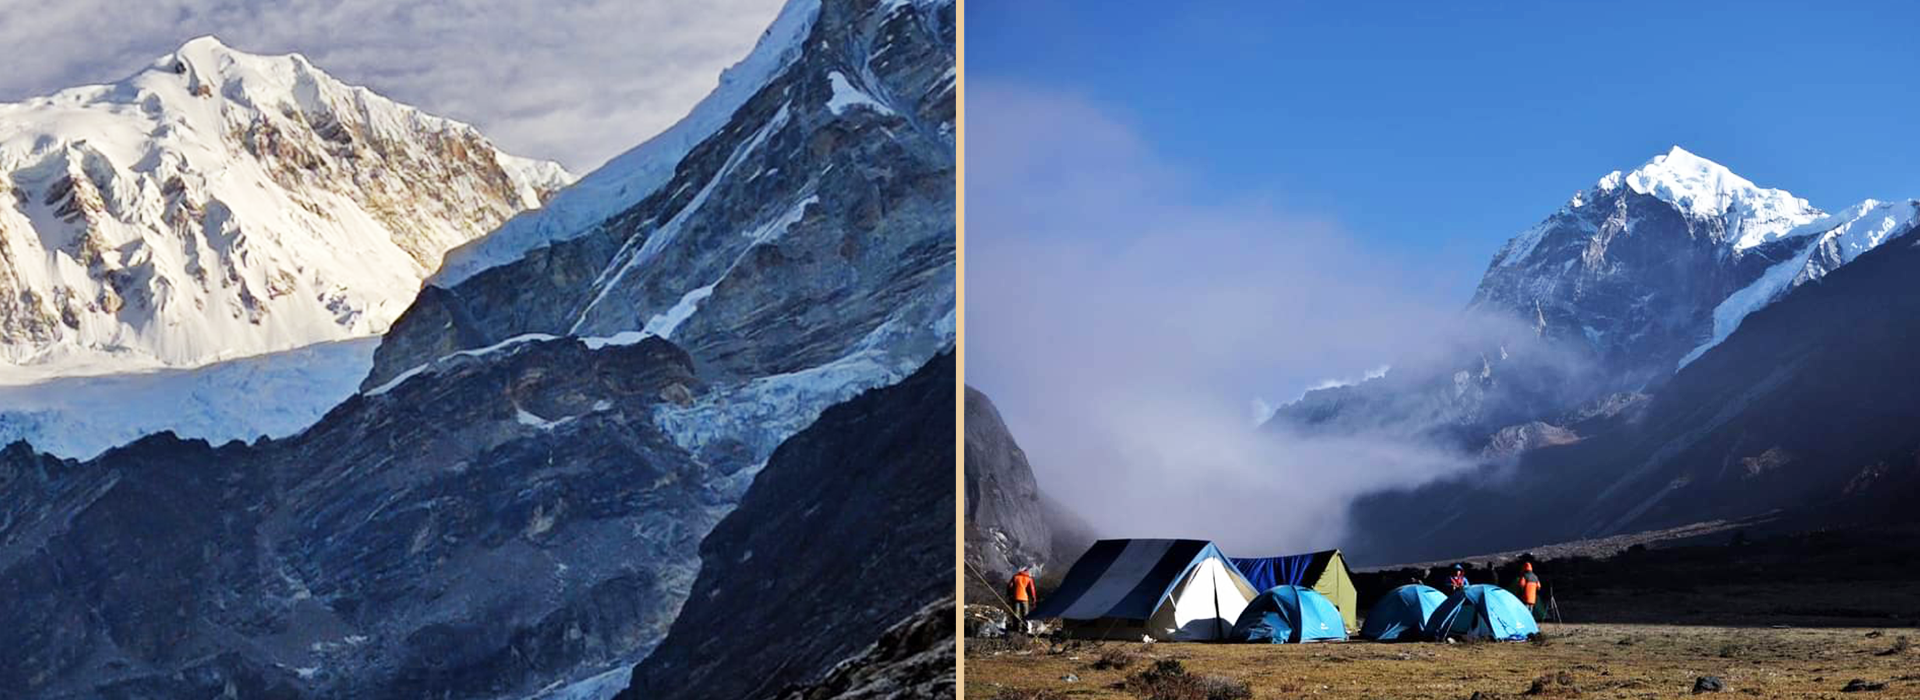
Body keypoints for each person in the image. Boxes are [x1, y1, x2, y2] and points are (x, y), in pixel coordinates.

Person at [1007, 566, 1038, 631]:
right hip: (1025, 598)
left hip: (1016, 597)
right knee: (1025, 614)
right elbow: (1032, 589)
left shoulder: (1015, 577)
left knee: (1016, 614)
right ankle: (1025, 629)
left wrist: (1009, 594)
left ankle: (1016, 628)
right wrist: (1033, 598)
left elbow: (1010, 586)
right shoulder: (1029, 578)